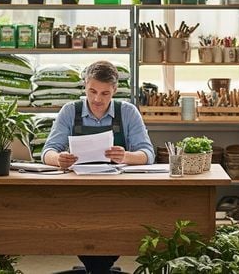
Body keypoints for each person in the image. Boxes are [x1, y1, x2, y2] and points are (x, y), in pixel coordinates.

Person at [42, 60, 155, 274]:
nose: (96, 99)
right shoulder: (70, 111)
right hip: (77, 195)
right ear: (84, 85)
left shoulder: (128, 112)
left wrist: (125, 156)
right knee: (80, 226)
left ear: (114, 90)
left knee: (114, 227)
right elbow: (47, 151)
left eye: (105, 94)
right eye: (92, 91)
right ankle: (98, 268)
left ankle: (98, 267)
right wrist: (59, 159)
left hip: (119, 195)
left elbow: (147, 154)